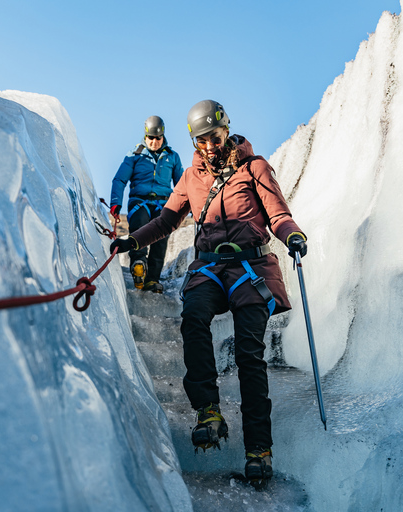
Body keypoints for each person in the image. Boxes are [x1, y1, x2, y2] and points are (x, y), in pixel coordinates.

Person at [110, 100, 307, 487]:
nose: (210, 147)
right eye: (202, 141)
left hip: (252, 270)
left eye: (214, 138)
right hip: (210, 268)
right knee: (193, 317)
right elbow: (167, 220)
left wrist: (292, 236)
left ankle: (259, 450)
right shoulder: (190, 176)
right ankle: (208, 412)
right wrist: (133, 241)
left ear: (226, 130)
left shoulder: (255, 168)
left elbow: (278, 215)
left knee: (251, 356)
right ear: (194, 142)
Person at [109, 116, 184, 293]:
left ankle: (152, 279)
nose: (154, 142)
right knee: (140, 225)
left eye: (158, 138)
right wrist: (115, 203)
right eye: (151, 138)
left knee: (161, 236)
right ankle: (138, 264)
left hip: (163, 203)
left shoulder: (172, 157)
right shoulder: (134, 155)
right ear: (145, 136)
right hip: (139, 201)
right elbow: (120, 179)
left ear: (163, 136)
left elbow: (182, 184)